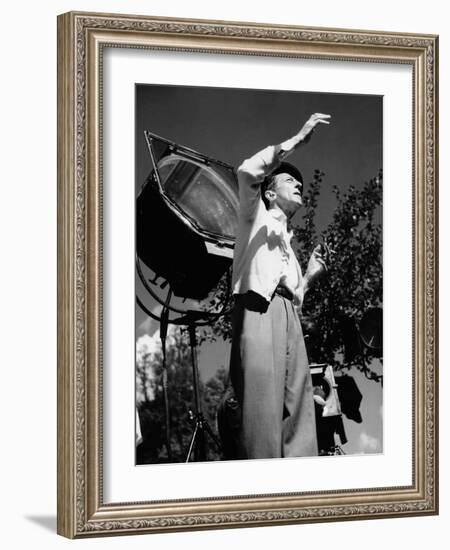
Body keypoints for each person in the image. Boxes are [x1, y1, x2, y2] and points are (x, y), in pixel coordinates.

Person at [226, 112, 331, 460]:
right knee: (261, 414)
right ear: (270, 193)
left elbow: (295, 297)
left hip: (289, 319)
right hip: (258, 310)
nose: (298, 185)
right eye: (291, 180)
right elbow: (246, 171)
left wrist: (311, 274)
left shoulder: (288, 243)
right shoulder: (252, 216)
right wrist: (296, 140)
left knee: (300, 414)